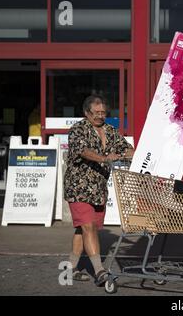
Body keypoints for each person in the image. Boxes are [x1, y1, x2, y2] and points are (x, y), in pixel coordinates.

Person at [63, 94, 134, 285]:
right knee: (88, 226)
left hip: (98, 188)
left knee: (84, 228)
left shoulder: (110, 130)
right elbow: (82, 150)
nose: (100, 116)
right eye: (96, 113)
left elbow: (126, 149)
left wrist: (138, 153)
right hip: (78, 186)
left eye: (103, 113)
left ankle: (70, 269)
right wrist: (104, 158)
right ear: (87, 113)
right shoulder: (78, 129)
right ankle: (100, 271)